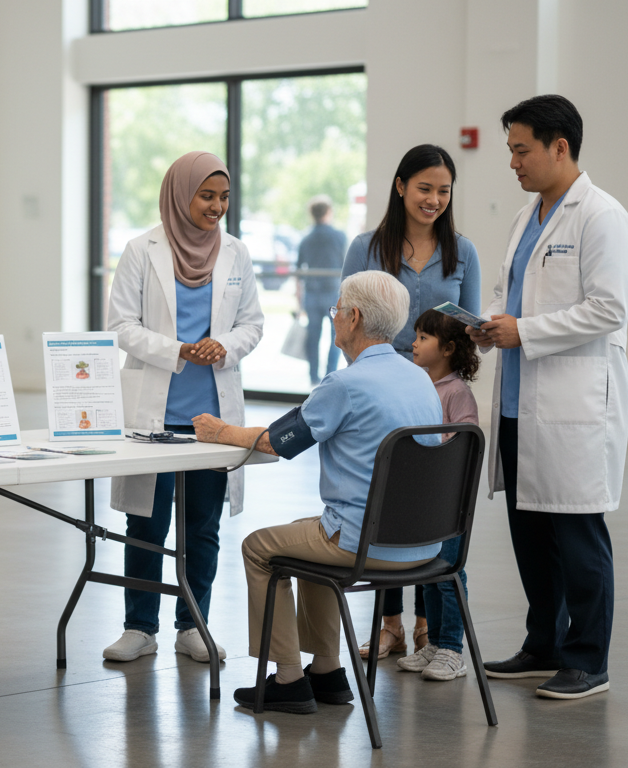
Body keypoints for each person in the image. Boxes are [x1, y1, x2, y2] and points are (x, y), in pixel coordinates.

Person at [193, 271, 443, 714]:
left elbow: (276, 441)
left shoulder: (345, 384)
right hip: (424, 543)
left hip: (364, 541)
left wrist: (220, 430)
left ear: (354, 317)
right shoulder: (419, 378)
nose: (333, 319)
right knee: (304, 535)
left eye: (336, 311)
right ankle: (327, 671)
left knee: (257, 548)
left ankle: (288, 678)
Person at [471, 95, 628, 700]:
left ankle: (588, 659)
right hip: (518, 404)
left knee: (577, 537)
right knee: (530, 535)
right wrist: (490, 324)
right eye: (511, 150)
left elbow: (609, 307)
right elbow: (505, 291)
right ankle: (544, 643)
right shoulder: (527, 216)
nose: (512, 162)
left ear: (558, 146)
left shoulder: (602, 216)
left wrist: (526, 331)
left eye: (521, 150)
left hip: (573, 408)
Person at [103, 151, 264, 665]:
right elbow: (120, 326)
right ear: (180, 195)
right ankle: (139, 626)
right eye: (206, 196)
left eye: (223, 197)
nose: (217, 206)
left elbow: (253, 323)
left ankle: (193, 623)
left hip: (211, 421)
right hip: (154, 413)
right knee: (145, 524)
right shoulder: (140, 250)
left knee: (202, 526)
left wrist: (226, 344)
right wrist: (177, 351)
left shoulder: (236, 253)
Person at [341, 144, 481, 660]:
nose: (434, 199)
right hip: (381, 393)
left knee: (430, 506)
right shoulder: (365, 248)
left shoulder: (462, 251)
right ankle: (390, 625)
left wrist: (480, 331)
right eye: (424, 188)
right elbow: (349, 322)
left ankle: (428, 627)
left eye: (444, 191)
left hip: (438, 395)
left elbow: (472, 328)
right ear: (400, 186)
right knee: (385, 509)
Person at [396, 309, 480, 681]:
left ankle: (452, 649)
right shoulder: (418, 386)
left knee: (448, 573)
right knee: (425, 573)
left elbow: (464, 444)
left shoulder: (457, 392)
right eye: (415, 335)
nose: (414, 343)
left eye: (423, 338)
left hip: (449, 502)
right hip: (422, 500)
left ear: (447, 348)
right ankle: (432, 644)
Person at [295, 195, 346, 385]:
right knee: (336, 337)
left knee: (313, 337)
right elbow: (346, 266)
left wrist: (298, 299)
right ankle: (329, 376)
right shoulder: (339, 237)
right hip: (334, 294)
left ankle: (313, 377)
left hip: (313, 294)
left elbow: (299, 270)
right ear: (328, 212)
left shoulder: (306, 239)